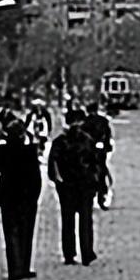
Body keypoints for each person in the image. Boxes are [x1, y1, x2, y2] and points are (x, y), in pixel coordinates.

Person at [0, 120, 41, 280]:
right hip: (27, 196)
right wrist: (35, 196)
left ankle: (14, 269)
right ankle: (24, 266)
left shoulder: (2, 152)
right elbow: (36, 177)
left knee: (10, 233)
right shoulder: (29, 152)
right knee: (26, 233)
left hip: (8, 196)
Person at [47, 111, 98, 266]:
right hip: (84, 185)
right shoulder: (87, 140)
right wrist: (95, 182)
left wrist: (58, 181)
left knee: (68, 220)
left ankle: (69, 254)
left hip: (68, 186)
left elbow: (53, 165)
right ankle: (87, 252)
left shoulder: (59, 142)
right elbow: (96, 164)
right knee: (85, 220)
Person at [83, 102, 114, 210]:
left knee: (100, 171)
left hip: (95, 150)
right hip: (92, 150)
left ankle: (100, 195)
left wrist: (106, 144)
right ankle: (99, 195)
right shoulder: (98, 121)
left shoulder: (96, 121)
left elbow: (107, 135)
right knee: (98, 171)